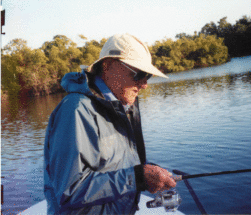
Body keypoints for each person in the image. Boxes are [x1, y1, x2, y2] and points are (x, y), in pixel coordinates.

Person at [44, 33, 176, 214]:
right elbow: (70, 191)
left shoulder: (121, 106)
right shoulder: (76, 110)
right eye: (140, 74)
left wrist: (148, 173)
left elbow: (113, 163)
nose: (145, 84)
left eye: (149, 76)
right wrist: (137, 177)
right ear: (107, 67)